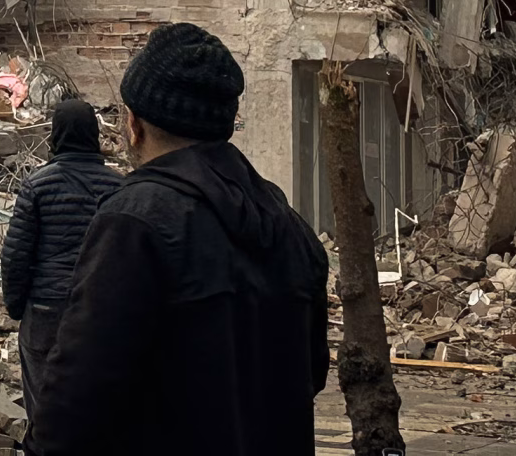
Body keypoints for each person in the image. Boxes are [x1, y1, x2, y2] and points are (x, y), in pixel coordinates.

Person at [27, 22, 329, 456]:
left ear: (134, 124)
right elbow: (311, 374)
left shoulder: (135, 222)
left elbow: (77, 395)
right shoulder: (291, 226)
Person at [0, 97, 122, 417]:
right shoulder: (119, 188)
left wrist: (16, 307)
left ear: (54, 136)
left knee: (43, 412)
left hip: (45, 312)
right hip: (99, 315)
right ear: (94, 136)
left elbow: (15, 256)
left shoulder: (37, 186)